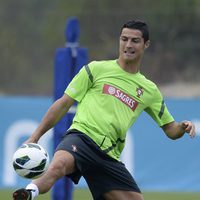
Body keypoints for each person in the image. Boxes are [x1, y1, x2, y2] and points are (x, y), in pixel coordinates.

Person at [13, 20, 196, 200]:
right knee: (58, 165)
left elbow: (170, 130)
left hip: (109, 156)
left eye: (135, 40)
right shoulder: (95, 69)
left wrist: (182, 127)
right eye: (124, 39)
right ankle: (30, 192)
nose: (128, 45)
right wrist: (35, 136)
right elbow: (63, 103)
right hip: (81, 138)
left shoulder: (149, 90)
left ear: (146, 44)